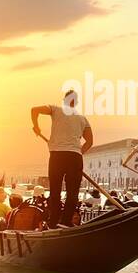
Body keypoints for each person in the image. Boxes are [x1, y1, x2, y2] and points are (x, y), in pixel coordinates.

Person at [31, 91, 93, 228]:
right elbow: (90, 141)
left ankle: (53, 222)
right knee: (72, 193)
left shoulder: (55, 109)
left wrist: (36, 126)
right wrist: (78, 151)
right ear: (75, 102)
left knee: (55, 191)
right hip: (75, 157)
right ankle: (65, 221)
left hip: (57, 156)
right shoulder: (82, 118)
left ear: (64, 100)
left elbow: (34, 110)